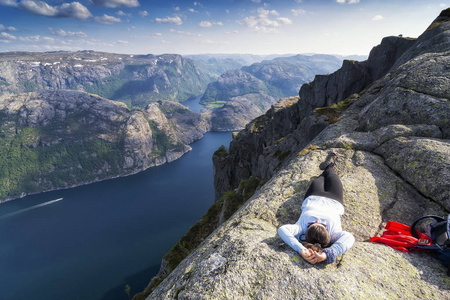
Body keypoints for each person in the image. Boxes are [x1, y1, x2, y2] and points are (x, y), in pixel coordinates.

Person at [278, 152, 355, 264]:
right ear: (328, 233)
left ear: (305, 235)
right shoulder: (334, 233)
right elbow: (349, 238)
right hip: (335, 198)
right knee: (332, 175)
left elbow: (282, 230)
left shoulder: (301, 229)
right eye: (323, 225)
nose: (318, 220)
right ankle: (329, 165)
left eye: (312, 224)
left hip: (313, 195)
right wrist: (327, 254)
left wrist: (301, 249)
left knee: (320, 178)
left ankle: (326, 167)